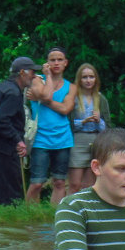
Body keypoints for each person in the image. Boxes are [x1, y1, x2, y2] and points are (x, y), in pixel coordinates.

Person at [0, 56, 37, 206]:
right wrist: (18, 140)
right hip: (4, 150)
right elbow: (2, 120)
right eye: (32, 72)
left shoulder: (1, 87)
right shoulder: (13, 93)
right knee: (10, 193)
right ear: (22, 72)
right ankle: (11, 226)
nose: (34, 76)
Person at [26, 47, 77, 204]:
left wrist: (41, 99)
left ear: (65, 63)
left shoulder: (72, 87)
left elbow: (65, 109)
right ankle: (29, 217)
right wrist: (47, 76)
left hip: (63, 139)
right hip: (40, 138)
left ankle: (55, 216)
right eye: (52, 60)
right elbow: (47, 95)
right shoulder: (37, 79)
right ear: (46, 62)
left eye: (59, 59)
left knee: (60, 182)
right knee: (37, 183)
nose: (56, 63)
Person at [67, 63, 110, 195]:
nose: (88, 80)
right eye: (84, 77)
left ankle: (87, 212)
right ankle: (69, 210)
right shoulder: (73, 98)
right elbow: (68, 123)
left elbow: (108, 126)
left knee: (89, 185)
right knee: (74, 184)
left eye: (91, 77)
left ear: (96, 79)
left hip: (96, 140)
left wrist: (99, 121)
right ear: (79, 80)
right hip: (78, 140)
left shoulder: (101, 98)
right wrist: (83, 121)